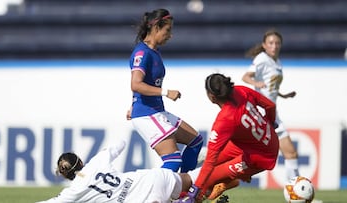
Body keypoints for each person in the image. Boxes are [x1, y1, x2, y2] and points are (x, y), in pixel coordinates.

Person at [176, 73, 280, 203]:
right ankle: (226, 182)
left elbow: (210, 162)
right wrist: (270, 122)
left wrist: (194, 192)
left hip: (260, 157)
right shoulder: (241, 90)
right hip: (255, 143)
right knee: (206, 170)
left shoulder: (225, 120)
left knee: (207, 178)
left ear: (212, 97)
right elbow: (270, 106)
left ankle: (197, 195)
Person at [127, 8, 203, 173]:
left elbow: (143, 84)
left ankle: (182, 192)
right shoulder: (142, 53)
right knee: (173, 160)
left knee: (196, 141)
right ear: (155, 28)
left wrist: (133, 102)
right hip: (147, 114)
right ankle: (149, 193)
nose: (170, 35)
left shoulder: (154, 52)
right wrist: (166, 92)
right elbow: (136, 84)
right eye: (167, 30)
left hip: (155, 110)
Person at [35, 140, 196, 203]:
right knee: (196, 178)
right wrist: (105, 152)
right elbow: (121, 143)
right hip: (151, 178)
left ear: (64, 175)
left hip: (141, 200)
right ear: (80, 161)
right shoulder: (96, 162)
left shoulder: (72, 192)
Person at [241, 29, 300, 181]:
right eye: (271, 43)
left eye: (277, 43)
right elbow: (246, 76)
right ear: (264, 45)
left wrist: (283, 95)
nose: (274, 46)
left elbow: (270, 87)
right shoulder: (262, 58)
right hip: (261, 113)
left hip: (272, 113)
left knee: (290, 153)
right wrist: (256, 83)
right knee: (250, 155)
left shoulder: (277, 63)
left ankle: (294, 191)